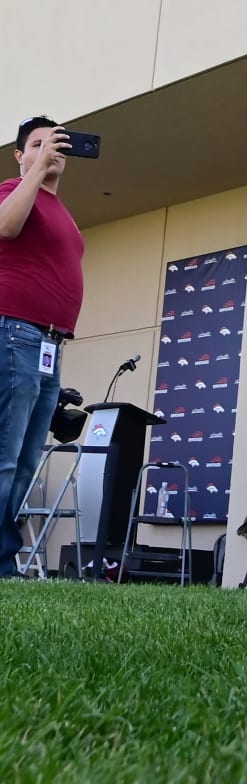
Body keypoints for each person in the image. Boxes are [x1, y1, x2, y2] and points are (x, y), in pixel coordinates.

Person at [0, 117, 85, 579]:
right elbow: (5, 228)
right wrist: (35, 171)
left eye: (57, 144)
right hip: (15, 332)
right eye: (38, 143)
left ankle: (4, 558)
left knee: (27, 459)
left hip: (50, 343)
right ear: (19, 154)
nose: (52, 151)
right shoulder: (14, 189)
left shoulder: (60, 210)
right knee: (5, 455)